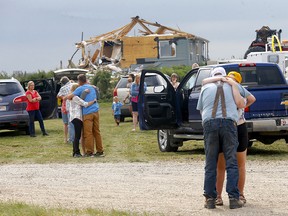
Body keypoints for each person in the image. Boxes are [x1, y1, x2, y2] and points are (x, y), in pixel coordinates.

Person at [196, 67, 245, 209]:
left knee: (211, 162)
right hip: (229, 123)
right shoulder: (232, 86)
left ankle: (210, 199)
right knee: (231, 162)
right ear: (225, 76)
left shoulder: (205, 88)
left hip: (209, 123)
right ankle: (234, 198)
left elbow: (201, 109)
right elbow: (242, 104)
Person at [211, 71, 256, 206]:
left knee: (240, 163)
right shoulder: (225, 88)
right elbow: (252, 99)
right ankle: (218, 195)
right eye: (229, 78)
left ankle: (240, 194)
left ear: (237, 81)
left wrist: (241, 106)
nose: (230, 81)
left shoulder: (236, 88)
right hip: (228, 125)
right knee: (221, 164)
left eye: (233, 80)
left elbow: (252, 99)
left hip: (238, 126)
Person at [67, 74, 104, 157]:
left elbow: (69, 97)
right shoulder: (92, 87)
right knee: (97, 132)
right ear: (86, 79)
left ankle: (89, 152)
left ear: (79, 81)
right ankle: (100, 151)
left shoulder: (80, 88)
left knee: (88, 133)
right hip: (96, 111)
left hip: (87, 113)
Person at [68, 83, 96, 158]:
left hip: (73, 118)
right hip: (77, 117)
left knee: (76, 136)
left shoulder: (71, 97)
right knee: (77, 136)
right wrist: (93, 101)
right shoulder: (75, 97)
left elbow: (82, 98)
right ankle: (76, 152)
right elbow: (85, 103)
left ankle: (75, 152)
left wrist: (85, 92)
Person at [57, 76, 75, 144]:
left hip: (68, 107)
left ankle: (71, 139)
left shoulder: (63, 88)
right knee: (75, 123)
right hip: (75, 106)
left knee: (69, 124)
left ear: (62, 83)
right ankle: (77, 138)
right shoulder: (74, 85)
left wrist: (64, 97)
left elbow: (58, 95)